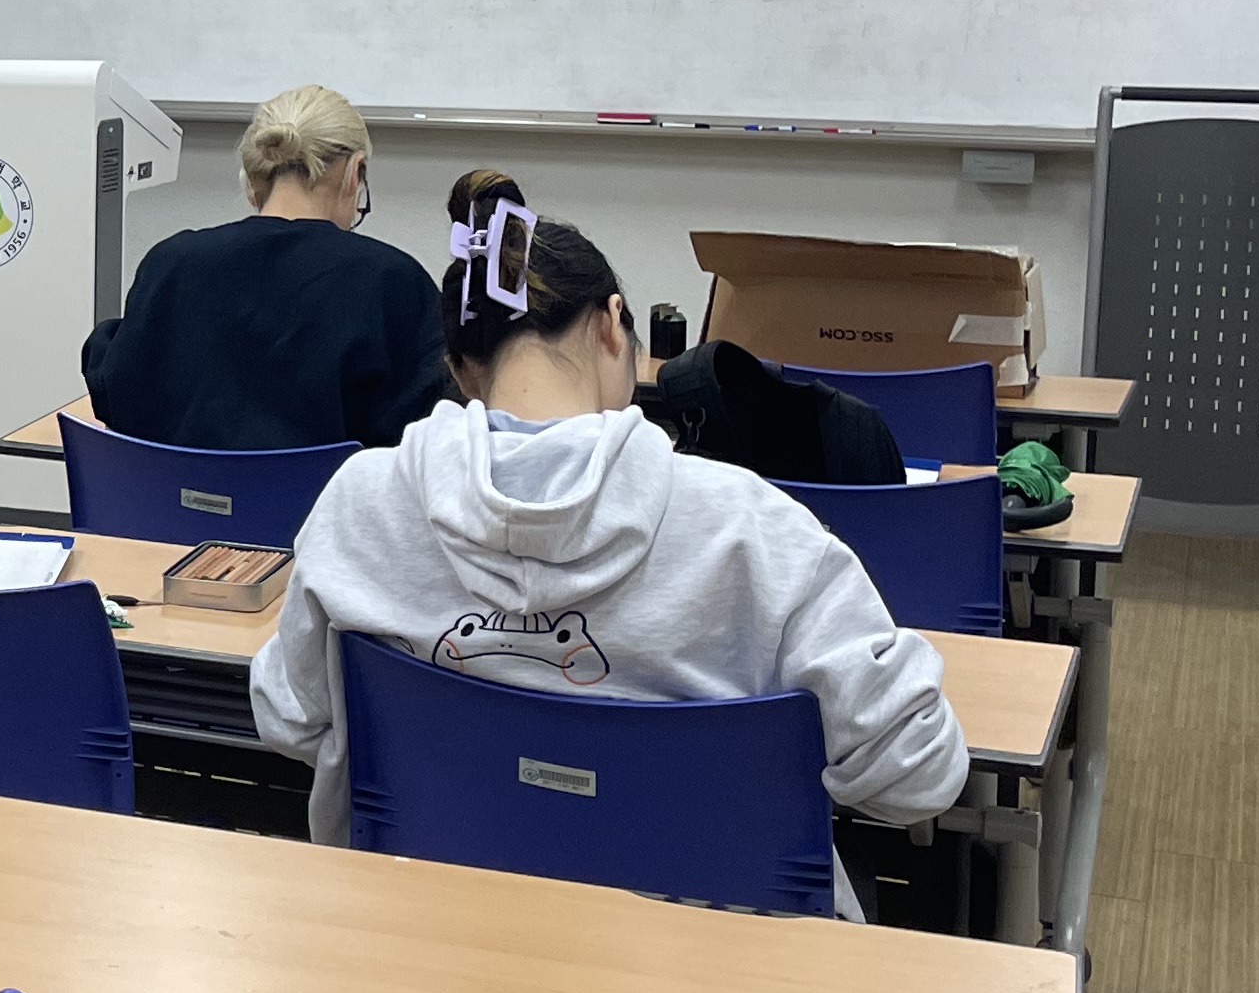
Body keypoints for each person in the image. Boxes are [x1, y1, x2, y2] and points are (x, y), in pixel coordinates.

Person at [251, 168, 966, 903]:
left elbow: (290, 717)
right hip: (708, 956)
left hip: (436, 927)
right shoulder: (751, 527)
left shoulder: (360, 505)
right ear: (611, 324)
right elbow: (918, 777)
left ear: (462, 370)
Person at [81, 83, 445, 451]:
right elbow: (424, 431)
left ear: (252, 174)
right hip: (320, 492)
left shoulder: (173, 263)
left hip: (171, 490)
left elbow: (115, 389)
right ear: (355, 171)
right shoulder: (394, 282)